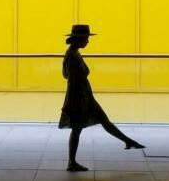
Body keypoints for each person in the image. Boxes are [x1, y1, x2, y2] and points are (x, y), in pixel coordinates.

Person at [59, 24, 145, 171]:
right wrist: (72, 102)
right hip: (80, 97)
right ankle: (71, 162)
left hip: (83, 95)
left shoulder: (73, 53)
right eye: (86, 38)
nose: (88, 41)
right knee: (86, 125)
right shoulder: (73, 56)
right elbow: (72, 79)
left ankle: (128, 141)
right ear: (78, 39)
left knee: (92, 123)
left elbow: (66, 75)